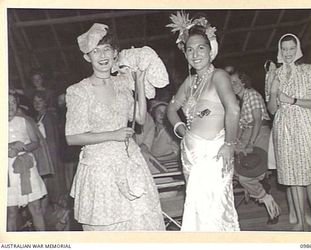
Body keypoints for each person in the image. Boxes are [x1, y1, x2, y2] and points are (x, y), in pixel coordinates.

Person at [65, 23, 164, 231]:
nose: (102, 55)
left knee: (139, 223)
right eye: (95, 51)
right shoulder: (78, 91)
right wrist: (114, 134)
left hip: (128, 162)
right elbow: (72, 137)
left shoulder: (121, 83)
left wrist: (138, 82)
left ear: (115, 53)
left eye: (106, 49)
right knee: (109, 227)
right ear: (87, 57)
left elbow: (139, 119)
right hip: (99, 169)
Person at [166, 12, 240, 231]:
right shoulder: (190, 82)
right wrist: (180, 128)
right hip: (190, 155)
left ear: (211, 50)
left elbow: (234, 109)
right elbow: (171, 109)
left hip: (214, 154)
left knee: (216, 211)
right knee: (197, 211)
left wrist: (229, 144)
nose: (195, 53)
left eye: (200, 48)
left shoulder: (219, 76)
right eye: (189, 49)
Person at [267, 34, 311, 231]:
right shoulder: (275, 75)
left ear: (298, 49)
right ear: (280, 50)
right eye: (284, 49)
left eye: (291, 48)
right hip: (283, 130)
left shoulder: (310, 70)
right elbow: (271, 110)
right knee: (292, 177)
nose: (287, 53)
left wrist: (293, 100)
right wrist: (273, 92)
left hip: (306, 127)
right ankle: (302, 222)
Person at [230, 70, 280, 223]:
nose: (232, 85)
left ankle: (265, 197)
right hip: (247, 134)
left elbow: (257, 120)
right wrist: (235, 143)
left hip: (259, 134)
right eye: (230, 83)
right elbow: (239, 126)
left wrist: (251, 143)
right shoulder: (239, 101)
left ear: (243, 82)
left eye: (235, 82)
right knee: (234, 169)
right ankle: (262, 189)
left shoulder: (251, 94)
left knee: (247, 175)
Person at [8, 93, 47, 231]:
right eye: (6, 102)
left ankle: (44, 243)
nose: (9, 106)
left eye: (12, 102)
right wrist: (9, 146)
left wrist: (21, 147)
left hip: (27, 168)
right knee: (11, 212)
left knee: (36, 208)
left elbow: (35, 143)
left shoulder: (23, 121)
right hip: (7, 172)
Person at [32, 92, 67, 207]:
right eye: (35, 101)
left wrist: (51, 160)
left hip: (50, 155)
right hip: (42, 155)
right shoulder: (38, 117)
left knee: (54, 184)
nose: (37, 104)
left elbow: (52, 140)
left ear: (45, 103)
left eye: (40, 101)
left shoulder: (48, 117)